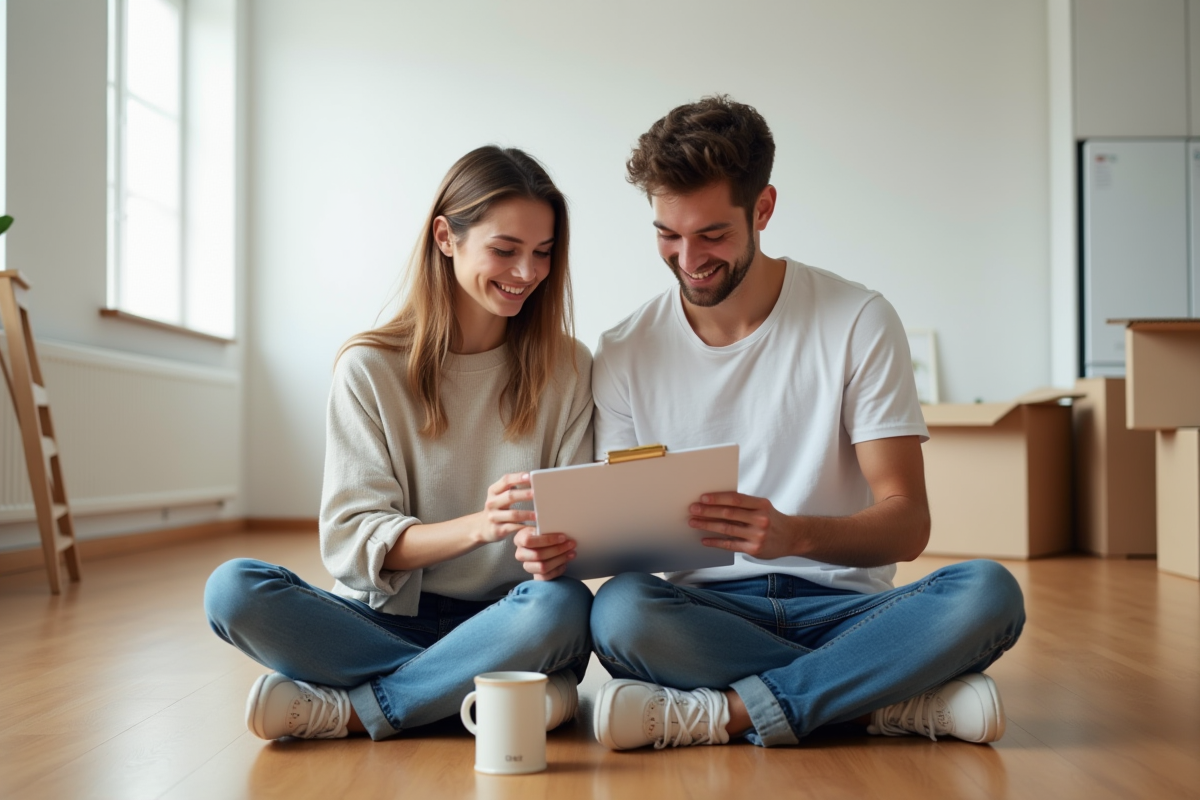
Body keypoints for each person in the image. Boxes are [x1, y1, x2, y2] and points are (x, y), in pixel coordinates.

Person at [584, 96, 1026, 750]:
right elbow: (629, 539)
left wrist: (792, 533)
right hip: (708, 613)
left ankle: (724, 714)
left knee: (988, 592)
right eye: (666, 235)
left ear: (762, 209)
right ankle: (881, 702)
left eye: (712, 235)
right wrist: (576, 537)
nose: (687, 258)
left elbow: (908, 523)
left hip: (847, 609)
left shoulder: (857, 320)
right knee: (621, 611)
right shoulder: (624, 349)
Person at [204, 146, 594, 741]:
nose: (527, 273)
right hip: (382, 620)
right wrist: (481, 527)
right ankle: (476, 693)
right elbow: (350, 538)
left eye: (543, 253)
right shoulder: (369, 367)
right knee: (232, 590)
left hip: (508, 621)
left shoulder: (567, 366)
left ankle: (354, 710)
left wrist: (560, 549)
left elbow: (575, 536)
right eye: (505, 249)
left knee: (562, 608)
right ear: (446, 237)